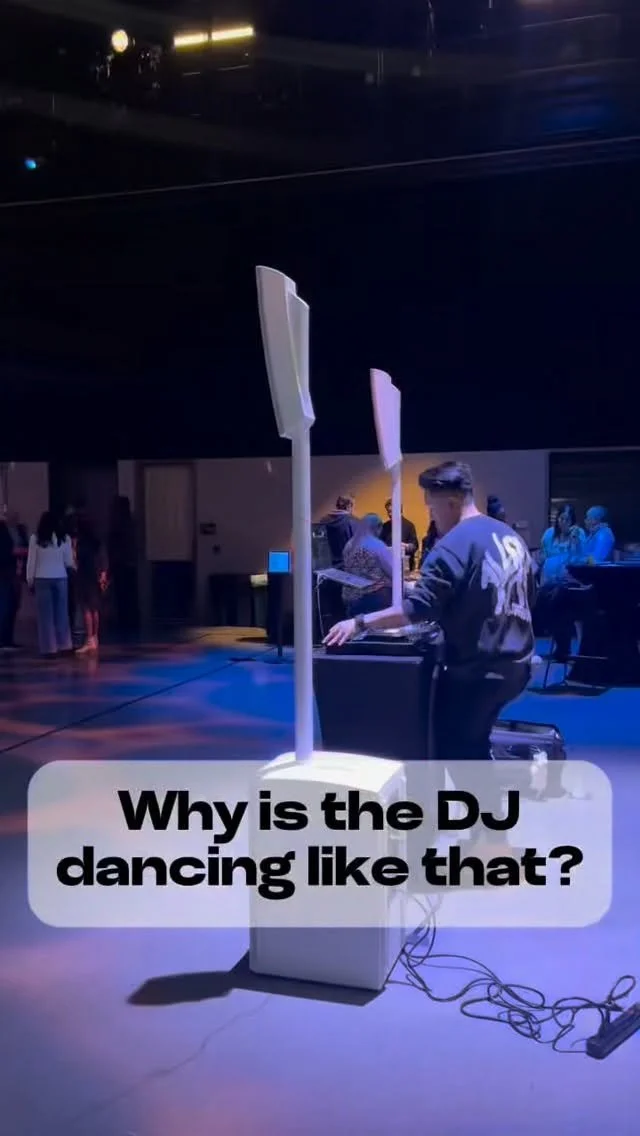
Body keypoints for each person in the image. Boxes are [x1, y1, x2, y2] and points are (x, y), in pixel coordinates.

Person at [324, 461, 536, 845]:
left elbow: (416, 608)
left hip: (480, 668)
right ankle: (486, 833)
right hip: (517, 663)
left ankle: (493, 841)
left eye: (432, 507)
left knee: (458, 748)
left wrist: (360, 622)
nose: (432, 516)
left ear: (451, 502)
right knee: (473, 742)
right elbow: (526, 590)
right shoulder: (507, 536)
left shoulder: (453, 544)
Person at [26, 512, 74, 658]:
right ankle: (65, 645)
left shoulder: (35, 539)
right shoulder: (65, 539)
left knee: (45, 617)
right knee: (62, 614)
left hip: (42, 578)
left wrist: (29, 580)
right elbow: (69, 561)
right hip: (61, 577)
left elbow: (31, 561)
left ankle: (49, 649)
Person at [342, 513, 393, 617]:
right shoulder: (377, 545)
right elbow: (393, 572)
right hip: (371, 599)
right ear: (378, 528)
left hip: (349, 598)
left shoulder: (349, 544)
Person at [75, 508, 108, 654]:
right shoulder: (97, 542)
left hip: (84, 576)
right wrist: (103, 574)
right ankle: (95, 637)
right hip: (95, 576)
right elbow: (103, 559)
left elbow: (76, 560)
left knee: (87, 609)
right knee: (95, 608)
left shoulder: (81, 543)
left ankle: (89, 639)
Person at [107, 495, 138, 634]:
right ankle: (131, 621)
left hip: (121, 563)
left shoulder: (117, 524)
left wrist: (111, 564)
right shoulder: (131, 523)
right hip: (130, 563)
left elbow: (113, 546)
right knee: (130, 594)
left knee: (122, 595)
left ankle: (124, 622)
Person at [320, 494, 358, 569]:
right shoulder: (354, 522)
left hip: (327, 566)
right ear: (349, 506)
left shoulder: (323, 521)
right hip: (347, 567)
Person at [380, 499, 419, 571]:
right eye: (388, 511)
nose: (390, 514)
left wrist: (406, 546)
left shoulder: (409, 526)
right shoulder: (385, 526)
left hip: (405, 567)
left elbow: (415, 546)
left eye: (392, 511)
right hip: (389, 566)